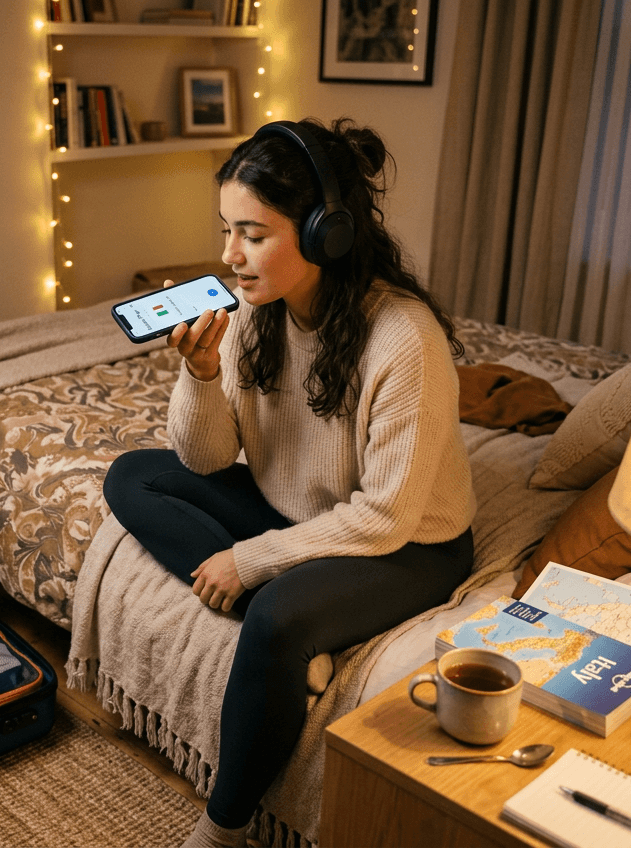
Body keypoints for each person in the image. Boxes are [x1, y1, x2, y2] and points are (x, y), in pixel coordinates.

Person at [102, 117, 477, 848]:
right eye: (225, 231)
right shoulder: (251, 312)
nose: (228, 256)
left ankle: (223, 827)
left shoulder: (406, 339)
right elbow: (206, 460)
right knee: (132, 477)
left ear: (321, 233)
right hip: (296, 514)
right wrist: (201, 373)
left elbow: (384, 518)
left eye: (252, 234)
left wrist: (249, 561)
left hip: (408, 544)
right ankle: (295, 617)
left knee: (274, 616)